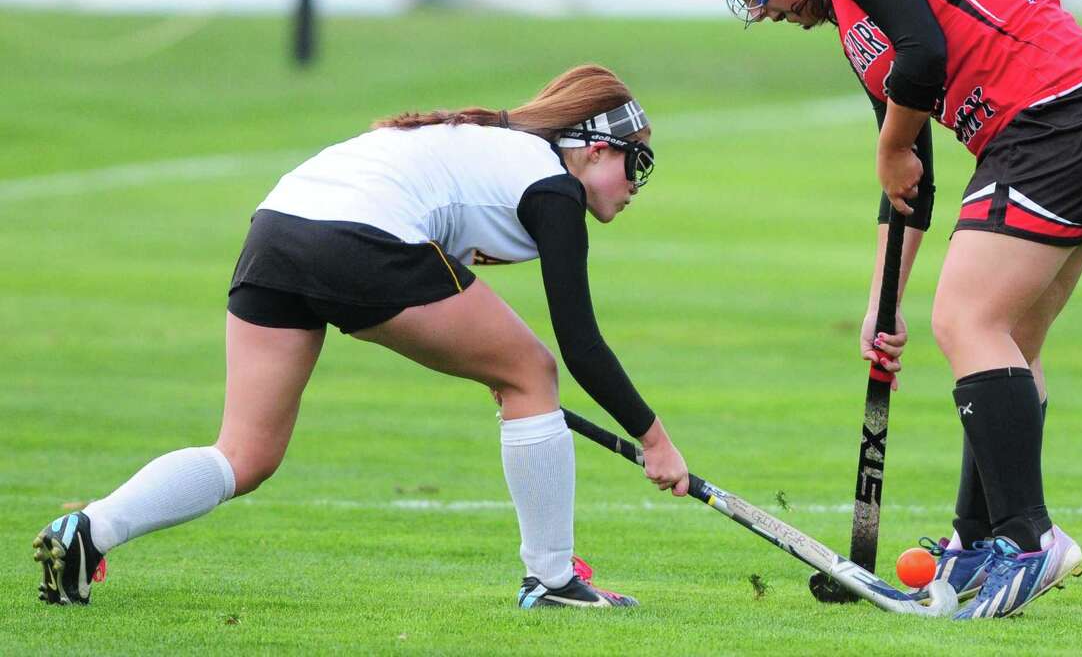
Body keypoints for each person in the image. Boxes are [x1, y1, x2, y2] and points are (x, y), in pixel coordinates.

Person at [32, 64, 690, 610]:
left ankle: (89, 531)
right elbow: (581, 344)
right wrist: (654, 440)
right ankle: (551, 581)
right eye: (638, 166)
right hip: (354, 237)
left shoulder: (487, 149)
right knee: (532, 371)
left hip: (277, 231)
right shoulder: (551, 186)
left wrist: (501, 380)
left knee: (245, 454)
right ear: (596, 148)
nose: (635, 187)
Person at [701, 0, 1082, 619]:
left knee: (966, 321)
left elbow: (924, 58)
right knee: (1007, 338)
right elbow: (912, 172)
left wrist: (888, 147)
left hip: (1059, 114)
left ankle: (1029, 539)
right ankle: (978, 539)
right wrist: (884, 306)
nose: (762, 13)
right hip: (1081, 115)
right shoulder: (851, 21)